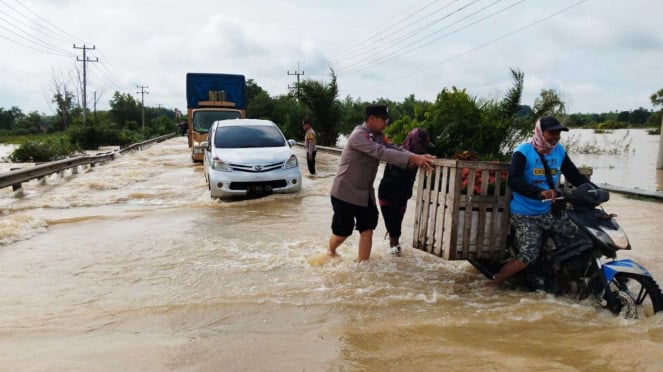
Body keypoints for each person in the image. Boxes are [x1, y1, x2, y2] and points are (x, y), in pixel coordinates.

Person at [487, 116, 593, 287]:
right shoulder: (523, 151)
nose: (555, 137)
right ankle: (494, 284)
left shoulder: (559, 151)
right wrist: (539, 193)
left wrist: (595, 191)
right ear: (539, 132)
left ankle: (564, 276)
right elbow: (514, 180)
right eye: (551, 133)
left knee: (581, 238)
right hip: (525, 214)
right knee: (527, 256)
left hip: (550, 211)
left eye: (558, 134)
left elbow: (575, 176)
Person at [327, 104, 436, 262]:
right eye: (384, 120)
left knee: (367, 230)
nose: (386, 123)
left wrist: (417, 156)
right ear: (372, 119)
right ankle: (330, 250)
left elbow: (393, 148)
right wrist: (414, 159)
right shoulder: (359, 136)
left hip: (365, 194)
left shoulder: (379, 136)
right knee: (343, 232)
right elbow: (381, 152)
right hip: (345, 193)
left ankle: (362, 265)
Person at [378, 128, 434, 256]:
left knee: (396, 230)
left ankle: (394, 255)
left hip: (402, 198)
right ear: (415, 143)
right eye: (421, 146)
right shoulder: (397, 153)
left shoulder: (419, 155)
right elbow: (405, 165)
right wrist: (418, 162)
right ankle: (396, 262)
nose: (422, 149)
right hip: (388, 198)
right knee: (395, 234)